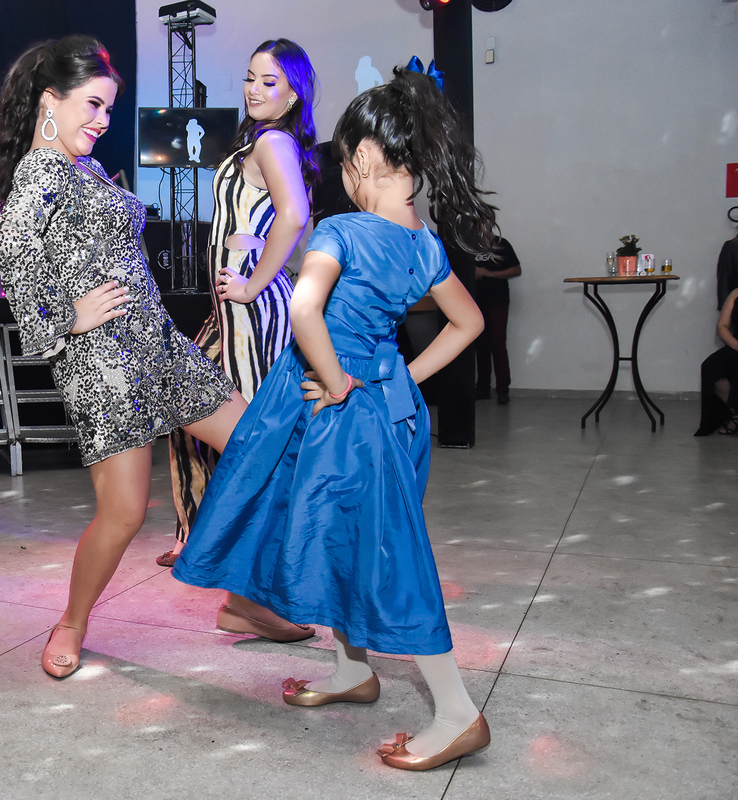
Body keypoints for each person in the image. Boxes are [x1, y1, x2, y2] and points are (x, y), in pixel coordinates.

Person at [173, 64, 497, 771]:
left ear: (367, 160)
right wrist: (395, 381)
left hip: (342, 410)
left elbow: (302, 309)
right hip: (391, 411)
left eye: (344, 163)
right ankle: (354, 671)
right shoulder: (424, 244)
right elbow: (467, 323)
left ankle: (457, 713)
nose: (342, 178)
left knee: (389, 556)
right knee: (354, 543)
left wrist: (337, 381)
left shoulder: (344, 231)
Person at [0, 35, 303, 679]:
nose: (103, 122)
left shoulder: (83, 166)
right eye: (94, 106)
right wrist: (65, 318)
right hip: (102, 365)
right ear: (52, 100)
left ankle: (245, 601)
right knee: (125, 514)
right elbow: (9, 244)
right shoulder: (40, 171)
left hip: (159, 345)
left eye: (108, 109)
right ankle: (72, 622)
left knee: (261, 448)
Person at [160, 39, 318, 575]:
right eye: (250, 77)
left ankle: (251, 547)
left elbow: (295, 216)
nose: (253, 89)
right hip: (229, 308)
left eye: (268, 82)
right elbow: (295, 221)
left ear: (293, 94)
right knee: (188, 407)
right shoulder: (266, 141)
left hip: (248, 310)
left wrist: (255, 283)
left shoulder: (274, 142)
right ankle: (199, 533)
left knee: (248, 430)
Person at [695, 250, 738, 435]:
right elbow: (722, 325)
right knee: (711, 366)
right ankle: (737, 413)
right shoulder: (737, 293)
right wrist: (736, 345)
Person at [467, 237, 520, 404]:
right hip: (473, 301)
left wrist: (488, 273)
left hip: (498, 300)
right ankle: (483, 388)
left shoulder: (501, 244)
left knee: (497, 343)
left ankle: (503, 389)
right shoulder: (468, 244)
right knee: (479, 344)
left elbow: (516, 270)